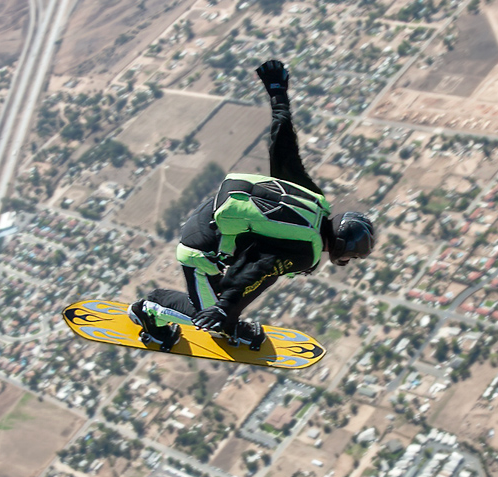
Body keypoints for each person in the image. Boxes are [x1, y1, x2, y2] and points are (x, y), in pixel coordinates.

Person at [128, 60, 375, 351]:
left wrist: (277, 93)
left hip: (213, 218)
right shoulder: (305, 250)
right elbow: (261, 270)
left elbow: (283, 147)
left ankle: (225, 316)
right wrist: (225, 309)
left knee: (224, 305)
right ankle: (149, 309)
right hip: (200, 248)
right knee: (209, 320)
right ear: (344, 250)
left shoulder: (312, 201)